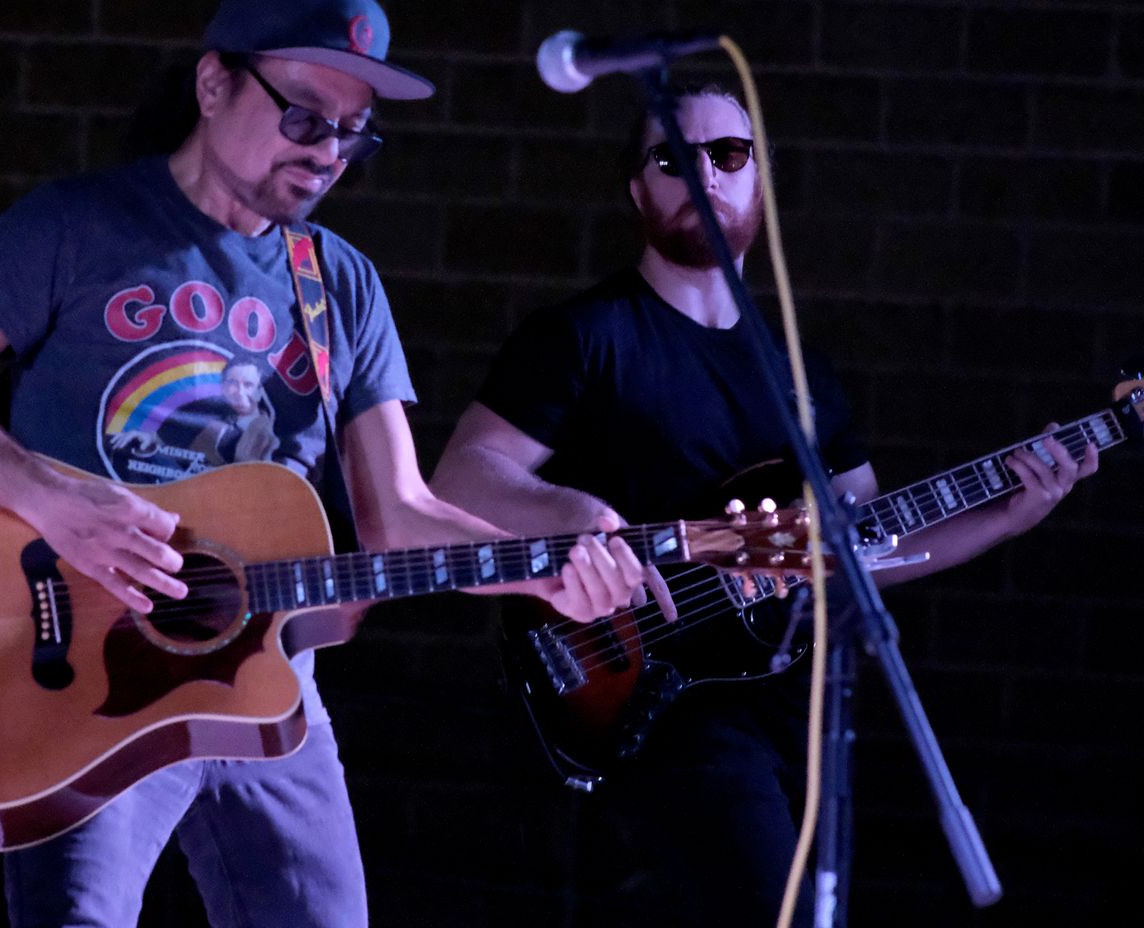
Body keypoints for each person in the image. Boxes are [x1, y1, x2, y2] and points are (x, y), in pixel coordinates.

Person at [0, 0, 650, 928]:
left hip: (267, 686)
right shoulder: (79, 227)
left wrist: (542, 574)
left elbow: (401, 516)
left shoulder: (340, 286)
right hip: (84, 674)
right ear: (214, 84)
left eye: (355, 135)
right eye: (305, 117)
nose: (327, 154)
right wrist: (50, 499)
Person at [429, 83, 1096, 927]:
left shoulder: (801, 373)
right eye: (673, 158)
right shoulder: (585, 338)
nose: (703, 176)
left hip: (794, 706)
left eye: (728, 155)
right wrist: (579, 517)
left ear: (761, 178)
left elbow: (862, 549)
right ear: (638, 190)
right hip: (660, 701)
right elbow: (458, 479)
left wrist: (1006, 515)